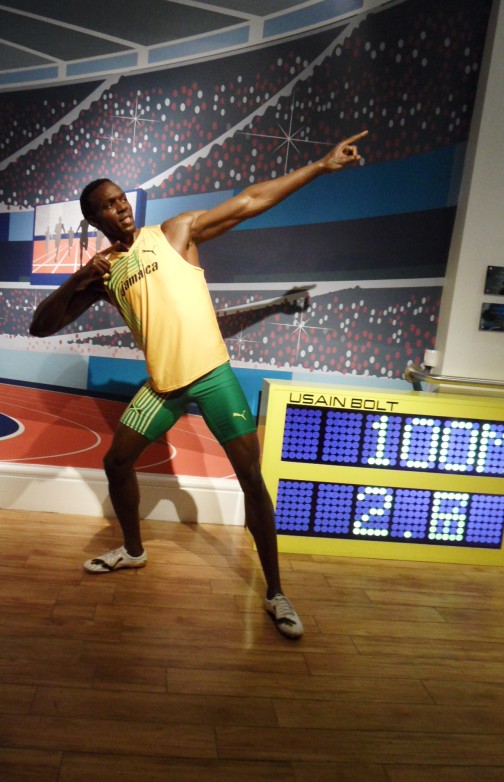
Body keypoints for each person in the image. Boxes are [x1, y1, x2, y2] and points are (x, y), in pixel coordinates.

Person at [30, 131, 367, 639]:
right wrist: (78, 278)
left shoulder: (174, 233)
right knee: (116, 462)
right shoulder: (103, 274)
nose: (122, 208)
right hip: (164, 386)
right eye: (110, 206)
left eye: (123, 199)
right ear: (94, 221)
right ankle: (134, 551)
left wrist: (320, 165)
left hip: (212, 375)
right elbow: (41, 326)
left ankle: (276, 593)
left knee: (251, 478)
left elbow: (251, 201)